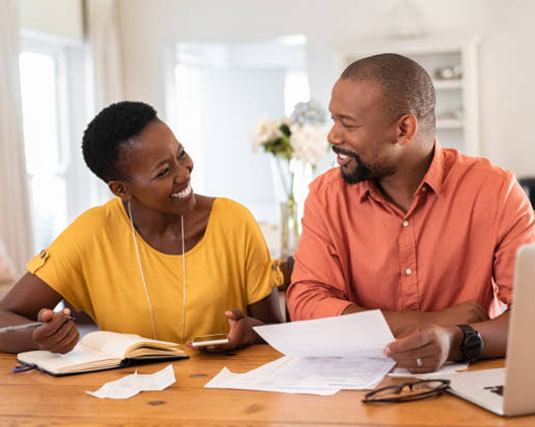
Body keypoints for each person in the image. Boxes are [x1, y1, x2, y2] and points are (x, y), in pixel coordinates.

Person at [286, 53, 535, 372]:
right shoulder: (326, 195)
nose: (333, 137)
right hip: (357, 388)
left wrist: (455, 340)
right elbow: (307, 305)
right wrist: (429, 322)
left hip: (470, 381)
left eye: (347, 124)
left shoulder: (495, 191)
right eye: (333, 120)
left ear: (404, 129)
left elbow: (528, 317)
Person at [0, 101, 283, 354]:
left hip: (229, 398)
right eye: (163, 172)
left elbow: (274, 330)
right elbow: (5, 316)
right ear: (120, 189)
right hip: (129, 400)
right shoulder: (91, 233)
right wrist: (37, 338)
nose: (184, 173)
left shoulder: (234, 221)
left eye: (181, 154)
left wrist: (247, 332)